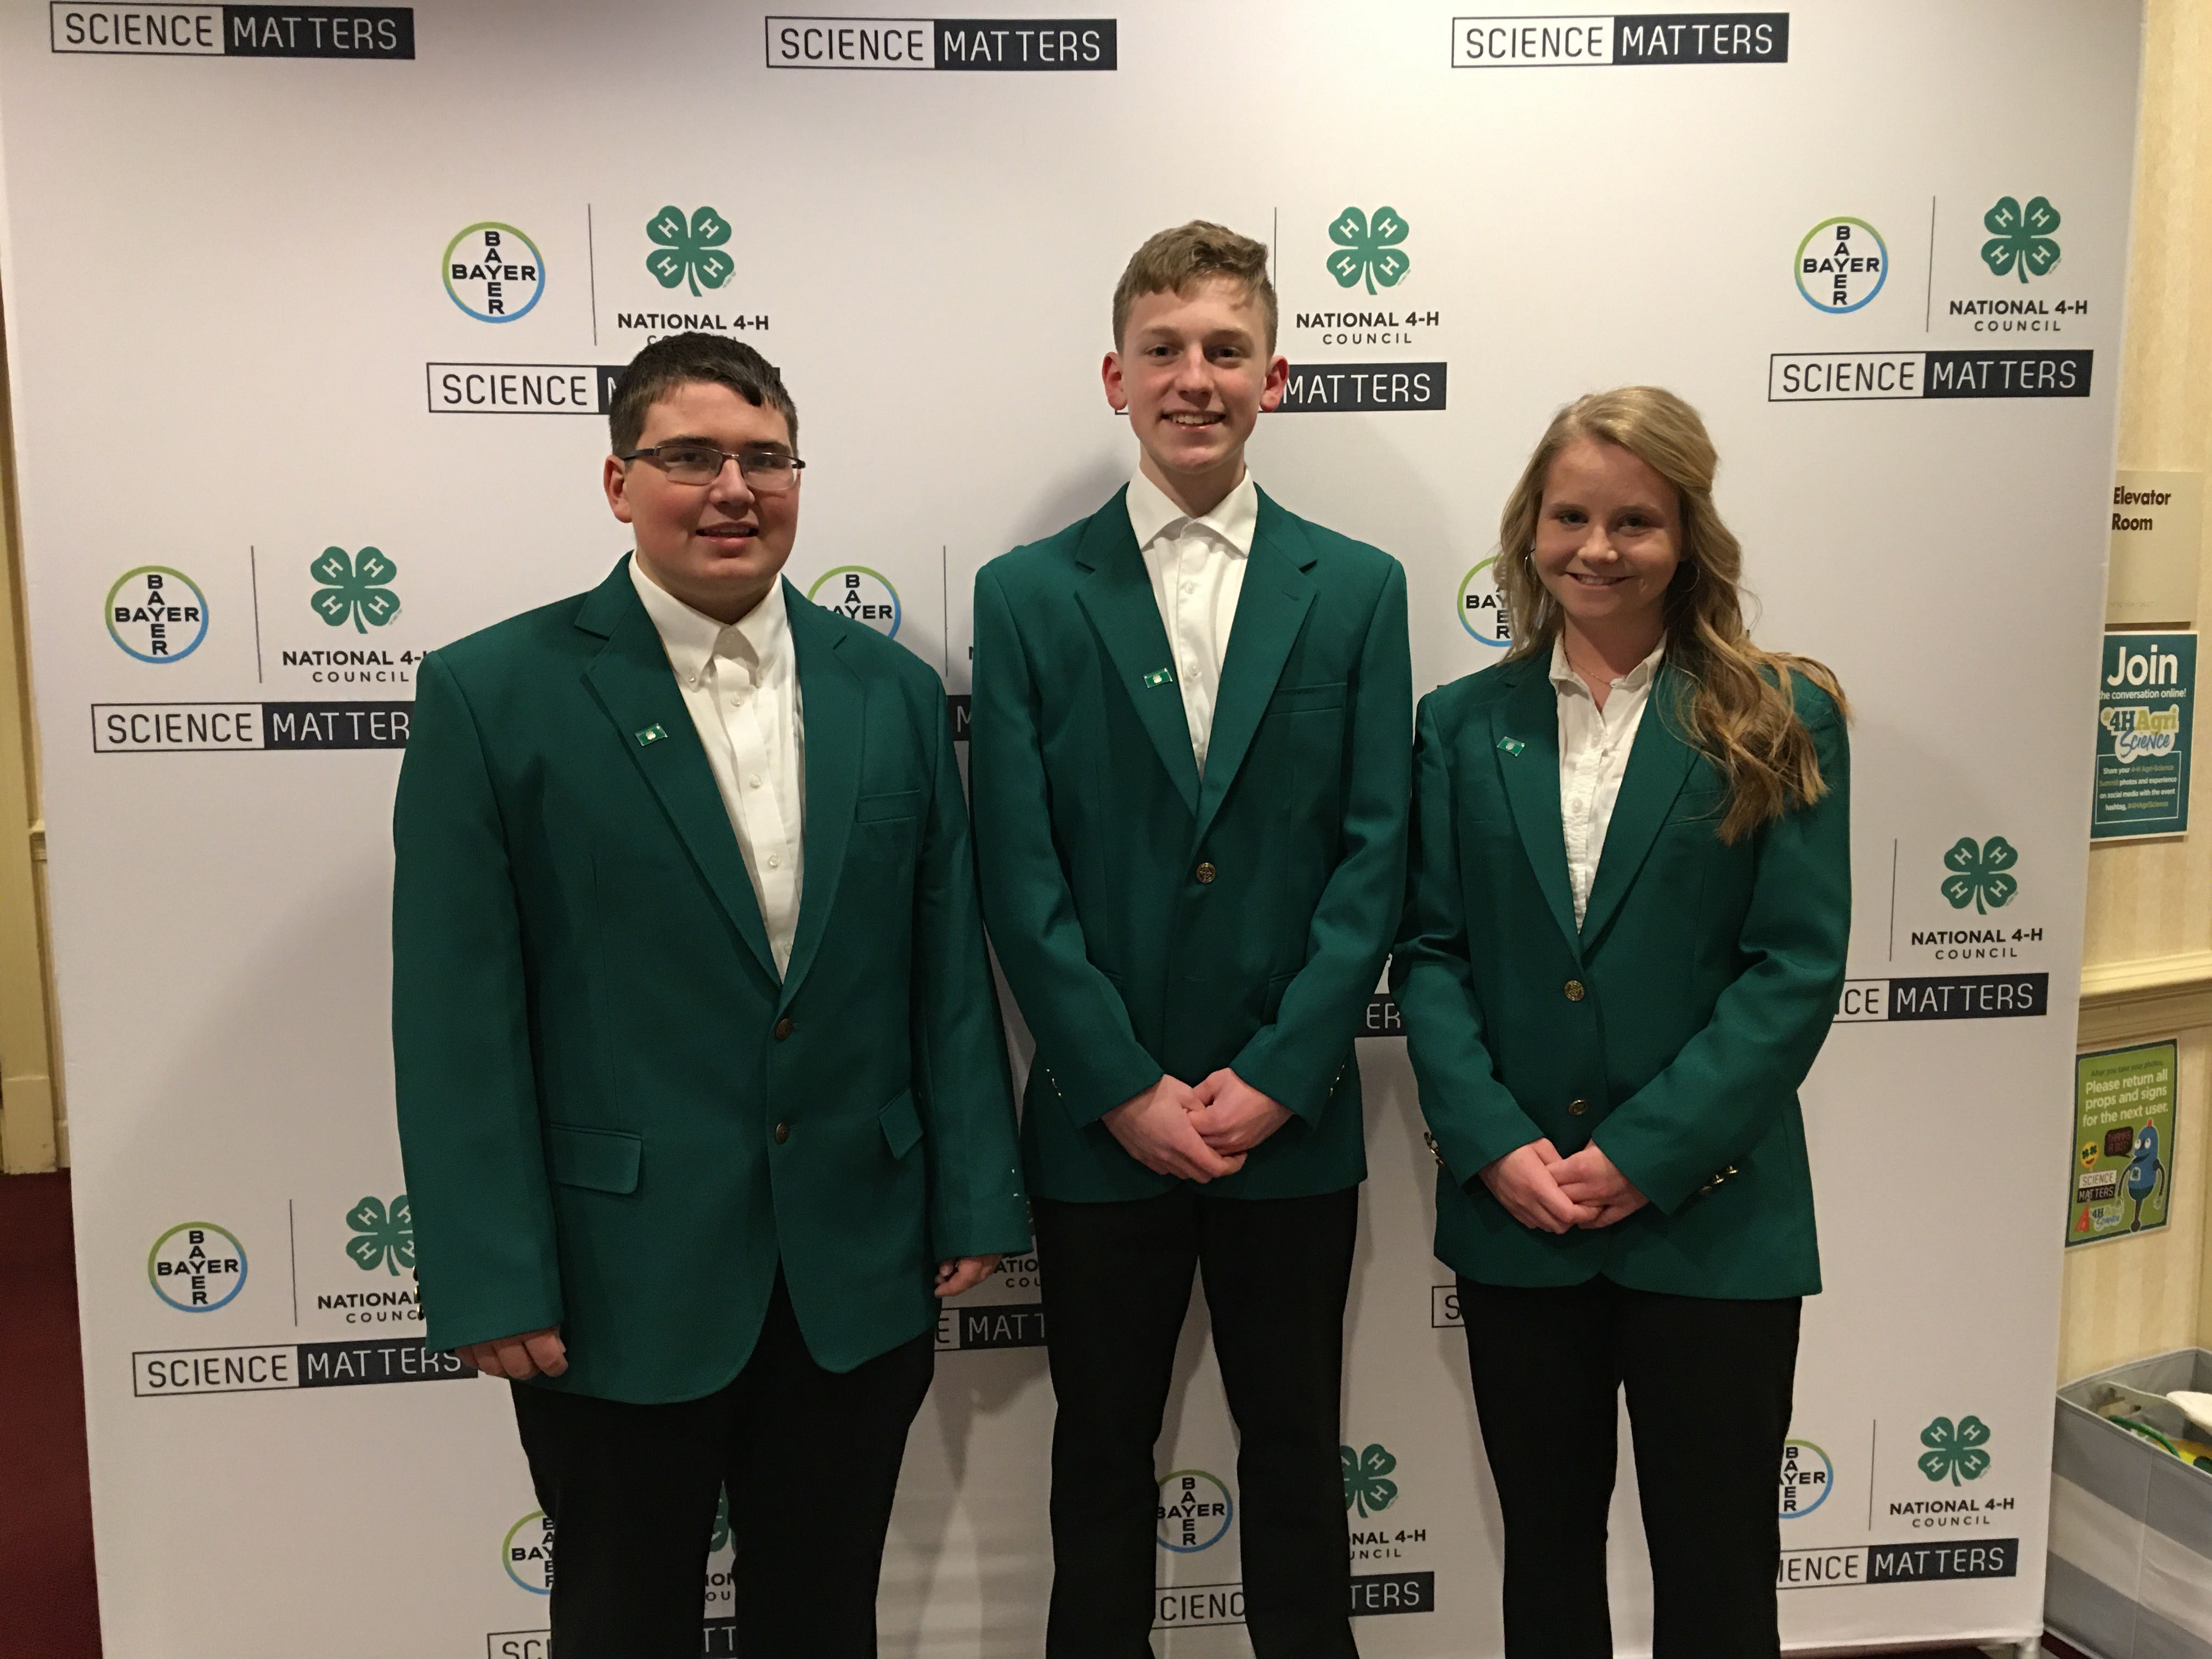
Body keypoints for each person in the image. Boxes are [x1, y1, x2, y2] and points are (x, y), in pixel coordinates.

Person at [391, 332, 1028, 1659]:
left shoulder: (894, 693)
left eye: (764, 458)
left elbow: (942, 967)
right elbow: (458, 1020)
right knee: (623, 1619)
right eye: (689, 457)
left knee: (824, 1616)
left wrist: (973, 1188)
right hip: (619, 1279)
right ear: (619, 482)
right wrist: (492, 1271)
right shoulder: (493, 695)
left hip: (853, 1266)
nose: (732, 488)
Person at [969, 221, 1412, 1659]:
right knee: (1101, 1456)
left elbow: (1374, 853)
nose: (1195, 377)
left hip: (1295, 1118)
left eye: (1226, 349)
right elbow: (1018, 869)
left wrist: (1287, 1070)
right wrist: (1116, 1081)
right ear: (1116, 374)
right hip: (1106, 1126)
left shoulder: (1358, 588)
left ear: (1274, 374)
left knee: (1297, 1451)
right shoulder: (1030, 594)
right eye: (1165, 349)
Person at [1392, 386, 1850, 1658]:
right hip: (1521, 1214)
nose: (1598, 547)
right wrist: (1492, 1143)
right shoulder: (1457, 725)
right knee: (1545, 1557)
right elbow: (1430, 954)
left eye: (1635, 520)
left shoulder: (1776, 714)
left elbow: (1794, 972)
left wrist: (1644, 1156)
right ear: (1529, 531)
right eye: (1572, 516)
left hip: (1713, 1222)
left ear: (1688, 533)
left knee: (1716, 1567)